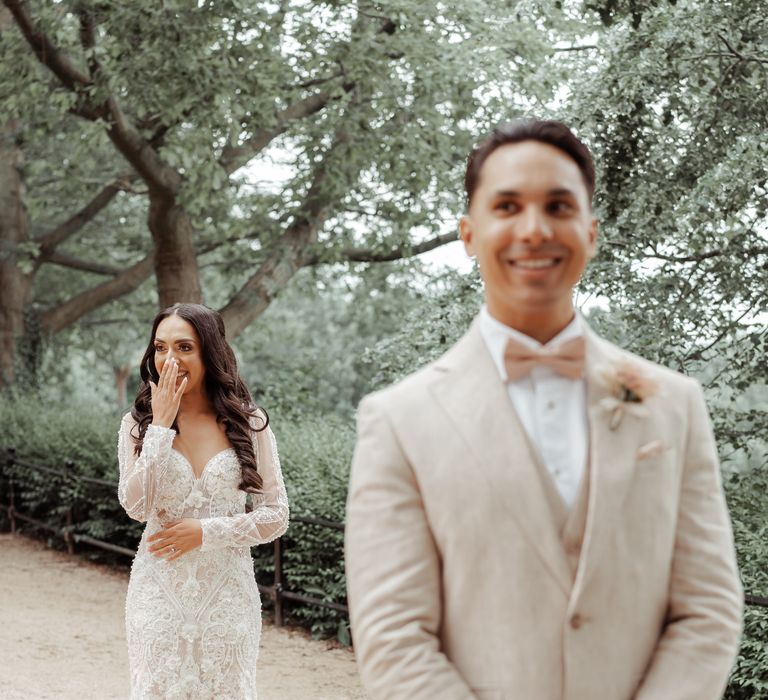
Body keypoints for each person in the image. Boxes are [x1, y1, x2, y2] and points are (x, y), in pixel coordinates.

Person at [344, 119, 743, 700]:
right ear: (470, 233)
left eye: (558, 207)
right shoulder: (399, 420)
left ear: (591, 230)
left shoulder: (673, 405)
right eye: (507, 207)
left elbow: (707, 609)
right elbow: (394, 639)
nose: (534, 230)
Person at [117, 302, 289, 699]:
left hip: (227, 600)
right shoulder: (137, 424)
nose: (169, 359)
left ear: (209, 353)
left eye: (184, 347)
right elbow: (137, 507)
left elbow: (275, 515)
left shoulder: (249, 423)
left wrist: (206, 532)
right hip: (158, 596)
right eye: (160, 348)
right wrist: (160, 426)